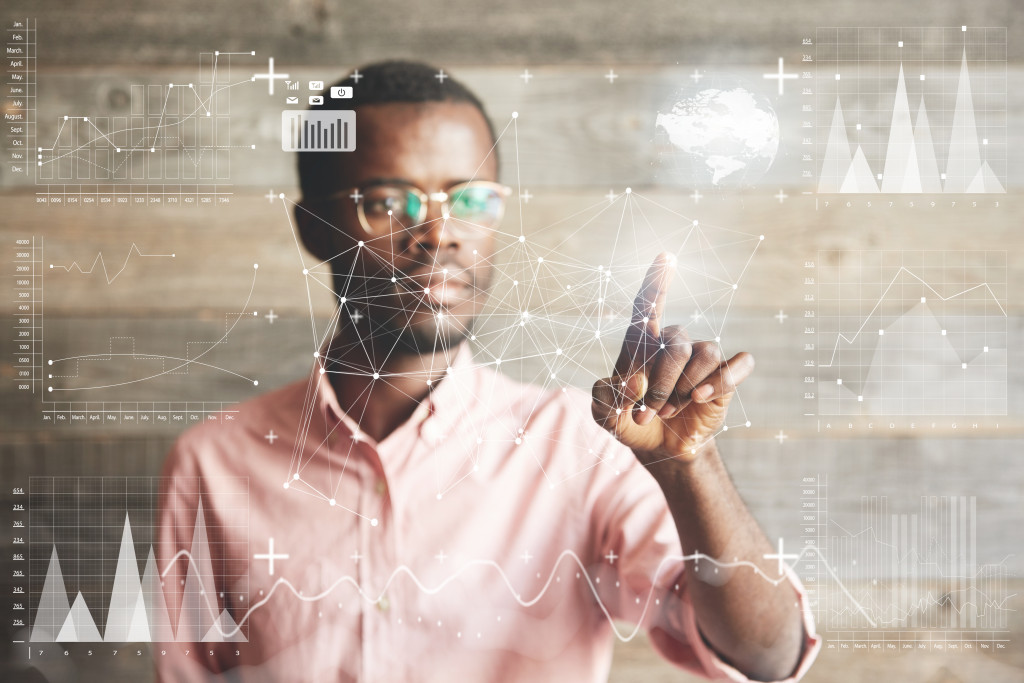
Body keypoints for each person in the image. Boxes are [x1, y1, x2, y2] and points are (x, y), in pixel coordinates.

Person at [157, 60, 820, 682]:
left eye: (471, 200)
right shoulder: (215, 463)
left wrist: (688, 468)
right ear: (314, 227)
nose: (441, 232)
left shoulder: (582, 445)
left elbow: (768, 652)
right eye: (389, 201)